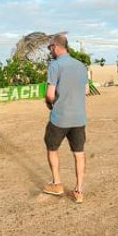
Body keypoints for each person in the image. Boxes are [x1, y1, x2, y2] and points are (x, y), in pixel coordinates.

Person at [42, 34, 88, 203]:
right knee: (79, 153)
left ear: (55, 46)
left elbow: (49, 94)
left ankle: (57, 183)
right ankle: (79, 190)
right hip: (79, 117)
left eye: (50, 48)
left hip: (60, 118)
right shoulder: (81, 66)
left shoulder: (55, 66)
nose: (50, 51)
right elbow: (86, 91)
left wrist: (49, 103)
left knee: (52, 148)